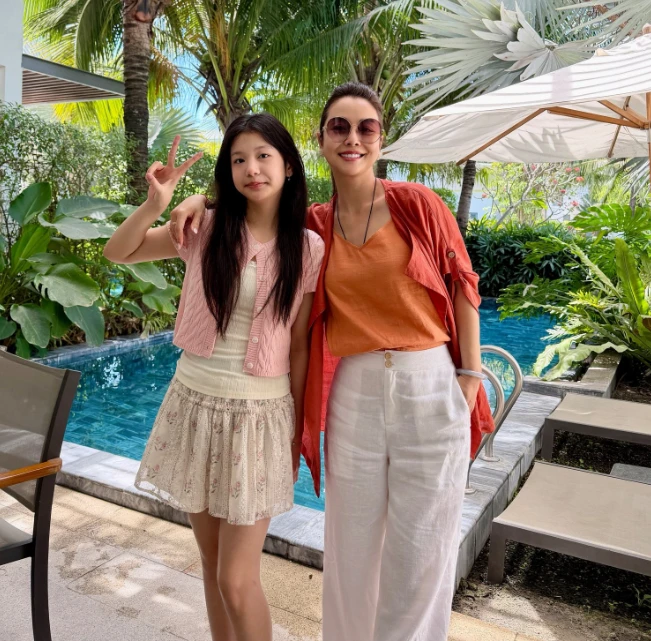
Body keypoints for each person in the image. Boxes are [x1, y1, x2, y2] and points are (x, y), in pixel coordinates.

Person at [171, 83, 495, 641]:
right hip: (356, 388)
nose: (353, 138)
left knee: (422, 549)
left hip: (429, 383)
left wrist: (468, 375)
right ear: (320, 140)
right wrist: (200, 201)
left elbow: (464, 285)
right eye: (339, 127)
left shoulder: (418, 204)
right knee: (349, 546)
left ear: (381, 138)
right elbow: (255, 211)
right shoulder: (315, 226)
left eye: (366, 127)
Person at [103, 115, 324, 641]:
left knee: (236, 579)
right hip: (194, 404)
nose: (252, 168)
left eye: (264, 155)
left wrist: (296, 429)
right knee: (210, 562)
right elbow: (120, 251)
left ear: (289, 166)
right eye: (239, 159)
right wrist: (158, 204)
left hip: (259, 415)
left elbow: (299, 345)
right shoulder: (204, 228)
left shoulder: (308, 248)